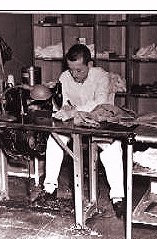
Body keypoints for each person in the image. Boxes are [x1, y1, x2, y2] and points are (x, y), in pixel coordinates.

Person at [42, 44, 125, 217]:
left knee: (113, 149)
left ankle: (118, 198)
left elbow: (99, 103)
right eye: (71, 70)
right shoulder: (65, 77)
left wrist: (73, 110)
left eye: (79, 70)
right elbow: (63, 102)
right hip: (75, 121)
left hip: (100, 121)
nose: (74, 74)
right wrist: (63, 107)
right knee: (54, 140)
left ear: (90, 64)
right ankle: (49, 189)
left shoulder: (102, 76)